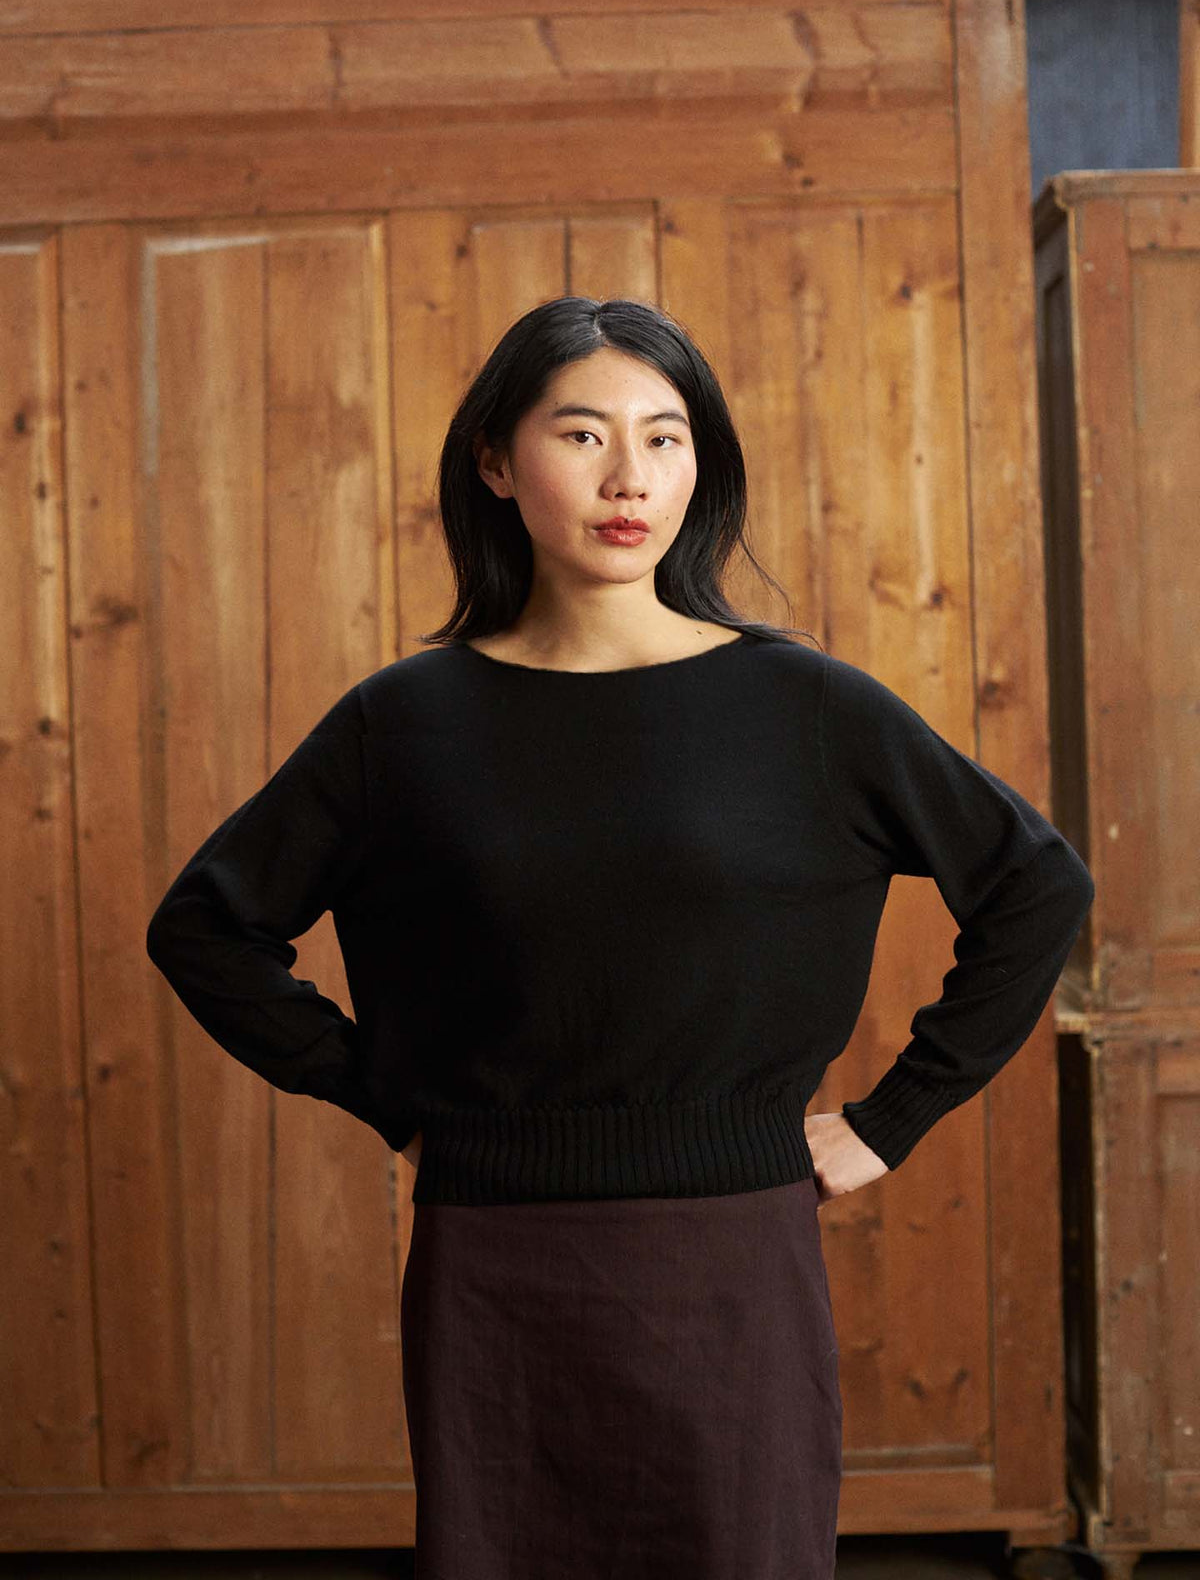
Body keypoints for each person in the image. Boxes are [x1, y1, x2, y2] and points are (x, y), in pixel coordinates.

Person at [145, 295, 1095, 1580]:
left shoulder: (804, 706)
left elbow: (1035, 884)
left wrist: (891, 1118)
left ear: (701, 464)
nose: (630, 477)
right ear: (496, 462)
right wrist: (381, 1094)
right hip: (493, 1263)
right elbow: (207, 925)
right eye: (583, 434)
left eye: (668, 436)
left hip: (735, 1257)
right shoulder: (404, 722)